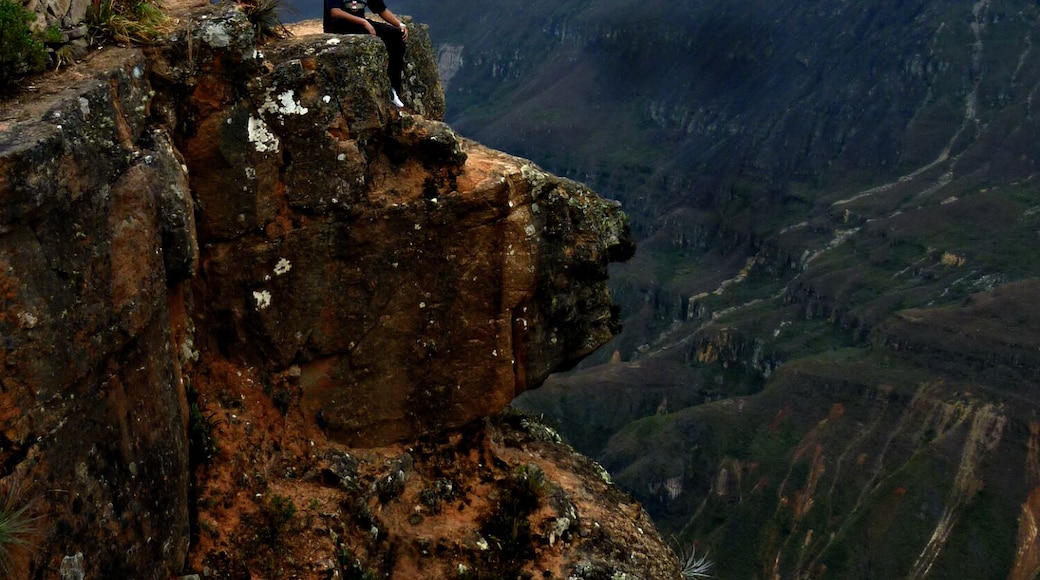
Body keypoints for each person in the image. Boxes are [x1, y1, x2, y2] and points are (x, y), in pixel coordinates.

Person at [323, 0, 409, 107]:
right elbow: (335, 12)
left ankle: (393, 89)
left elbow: (381, 9)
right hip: (338, 26)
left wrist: (399, 24)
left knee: (396, 35)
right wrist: (363, 22)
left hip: (359, 24)